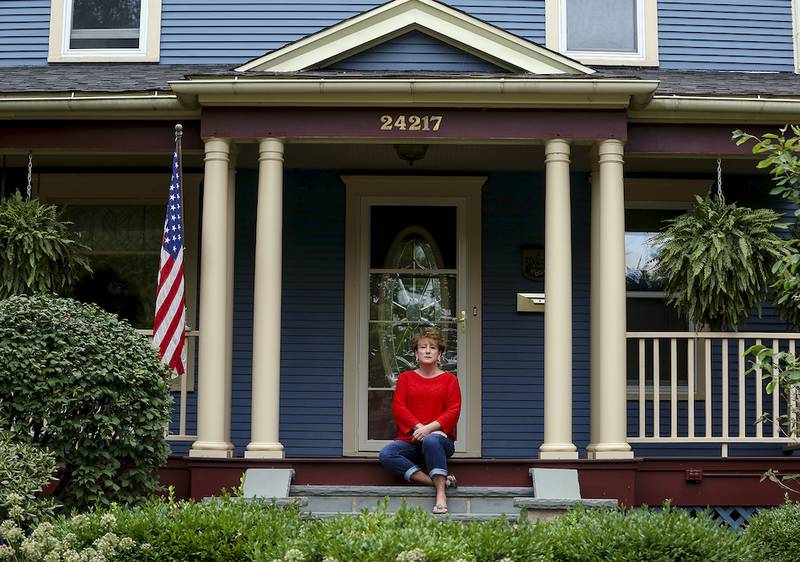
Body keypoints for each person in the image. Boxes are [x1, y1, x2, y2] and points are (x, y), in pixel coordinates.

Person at [378, 326, 462, 515]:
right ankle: (437, 480)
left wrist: (429, 430)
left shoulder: (450, 380)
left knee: (432, 440)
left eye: (432, 347)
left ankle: (441, 495)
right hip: (412, 440)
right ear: (416, 353)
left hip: (440, 442)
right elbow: (399, 408)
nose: (427, 351)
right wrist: (419, 428)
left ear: (439, 353)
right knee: (387, 454)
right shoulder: (406, 378)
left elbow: (453, 411)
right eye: (422, 347)